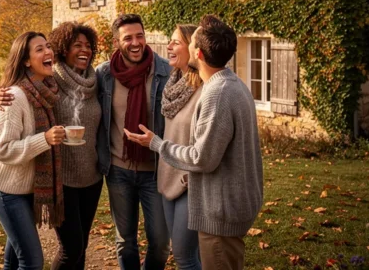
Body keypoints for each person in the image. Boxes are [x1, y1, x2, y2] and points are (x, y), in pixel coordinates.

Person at [126, 15, 263, 270]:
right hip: (227, 206)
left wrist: (157, 144)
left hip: (221, 210)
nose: (174, 46)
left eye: (185, 43)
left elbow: (202, 158)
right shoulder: (232, 84)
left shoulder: (216, 93)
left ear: (197, 52)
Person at [0, 22, 103, 269]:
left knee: (18, 257)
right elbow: (5, 142)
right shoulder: (31, 90)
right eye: (39, 49)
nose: (84, 50)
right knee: (38, 258)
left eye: (47, 47)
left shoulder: (51, 86)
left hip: (58, 180)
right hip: (19, 184)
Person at [0, 31, 67, 270]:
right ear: (26, 61)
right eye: (39, 49)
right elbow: (4, 151)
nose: (48, 52)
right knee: (32, 262)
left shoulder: (46, 89)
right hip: (6, 189)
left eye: (48, 46)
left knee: (14, 260)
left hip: (25, 188)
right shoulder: (16, 96)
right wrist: (45, 139)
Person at [96, 14, 171, 270]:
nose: (136, 42)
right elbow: (67, 87)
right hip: (118, 170)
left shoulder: (165, 71)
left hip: (155, 171)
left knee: (161, 242)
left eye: (140, 36)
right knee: (125, 241)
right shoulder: (104, 74)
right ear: (117, 42)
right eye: (128, 38)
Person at [158, 24, 203, 270]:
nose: (169, 46)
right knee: (182, 253)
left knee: (185, 255)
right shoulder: (171, 86)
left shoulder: (205, 90)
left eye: (176, 42)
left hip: (191, 180)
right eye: (170, 41)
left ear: (194, 49)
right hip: (168, 176)